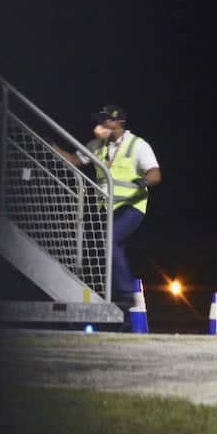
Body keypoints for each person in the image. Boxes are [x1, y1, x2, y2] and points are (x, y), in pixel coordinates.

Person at [53, 104, 161, 326]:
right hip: (108, 209)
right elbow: (74, 159)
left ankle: (127, 295)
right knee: (112, 250)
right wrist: (52, 145)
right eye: (99, 120)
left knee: (109, 240)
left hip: (132, 206)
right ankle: (124, 313)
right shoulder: (96, 145)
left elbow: (155, 174)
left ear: (118, 123)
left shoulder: (137, 145)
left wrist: (143, 181)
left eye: (105, 121)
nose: (100, 125)